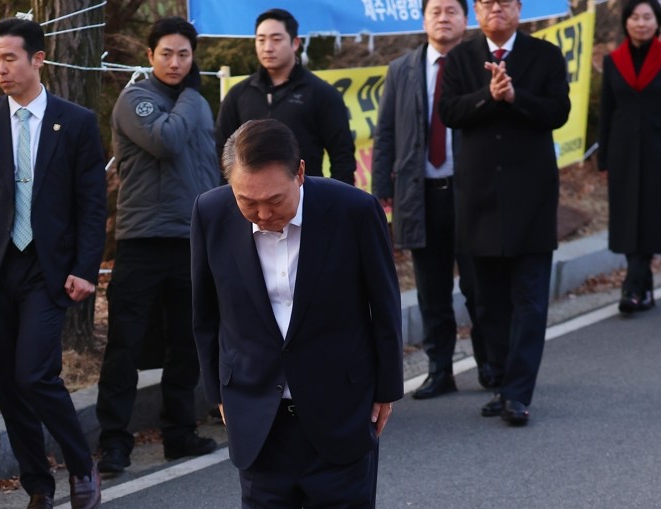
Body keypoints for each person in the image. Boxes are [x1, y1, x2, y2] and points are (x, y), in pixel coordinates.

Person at [191, 120, 403, 509]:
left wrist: (386, 387)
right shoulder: (211, 213)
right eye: (247, 201)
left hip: (340, 410)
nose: (261, 213)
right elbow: (204, 315)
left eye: (274, 200)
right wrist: (220, 393)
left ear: (301, 174)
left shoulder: (353, 210)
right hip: (259, 415)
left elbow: (382, 305)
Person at [0, 18, 104, 509]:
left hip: (48, 267)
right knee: (10, 386)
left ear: (38, 59)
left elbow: (91, 204)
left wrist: (86, 267)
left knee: (35, 373)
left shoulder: (76, 121)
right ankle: (38, 487)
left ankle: (82, 467)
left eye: (9, 58)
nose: (1, 68)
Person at [95, 17, 219, 474]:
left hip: (191, 238)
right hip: (143, 239)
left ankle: (179, 433)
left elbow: (211, 166)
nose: (174, 62)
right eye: (166, 53)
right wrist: (190, 94)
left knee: (187, 342)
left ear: (193, 57)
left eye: (183, 54)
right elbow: (165, 141)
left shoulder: (198, 104)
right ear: (149, 57)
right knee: (125, 345)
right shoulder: (137, 99)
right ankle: (114, 442)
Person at [439, 0, 570, 426]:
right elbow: (450, 113)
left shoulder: (544, 55)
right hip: (479, 198)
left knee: (530, 301)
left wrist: (516, 97)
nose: (496, 9)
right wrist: (488, 97)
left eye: (506, 3)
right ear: (477, 11)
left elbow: (559, 111)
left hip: (531, 197)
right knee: (488, 301)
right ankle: (500, 381)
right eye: (487, 3)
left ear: (518, 10)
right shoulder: (461, 57)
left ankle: (517, 393)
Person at [374, 0, 495, 399]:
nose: (443, 18)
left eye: (452, 11)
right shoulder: (401, 69)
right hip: (420, 195)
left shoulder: (482, 64)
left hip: (471, 194)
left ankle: (491, 366)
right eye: (435, 11)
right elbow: (386, 133)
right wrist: (382, 192)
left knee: (479, 287)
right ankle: (439, 370)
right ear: (423, 19)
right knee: (431, 291)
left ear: (467, 19)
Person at [598, 0, 661, 314]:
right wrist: (603, 158)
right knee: (627, 218)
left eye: (647, 17)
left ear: (658, 22)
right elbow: (606, 112)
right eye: (635, 17)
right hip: (622, 152)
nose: (641, 23)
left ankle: (632, 287)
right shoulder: (613, 62)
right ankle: (642, 285)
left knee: (650, 217)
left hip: (660, 152)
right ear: (626, 22)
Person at [214, 8, 356, 185]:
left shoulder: (321, 93)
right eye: (261, 40)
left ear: (295, 43)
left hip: (305, 199)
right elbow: (222, 151)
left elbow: (342, 155)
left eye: (276, 39)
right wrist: (229, 200)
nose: (267, 48)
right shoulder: (238, 95)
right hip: (249, 200)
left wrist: (339, 203)